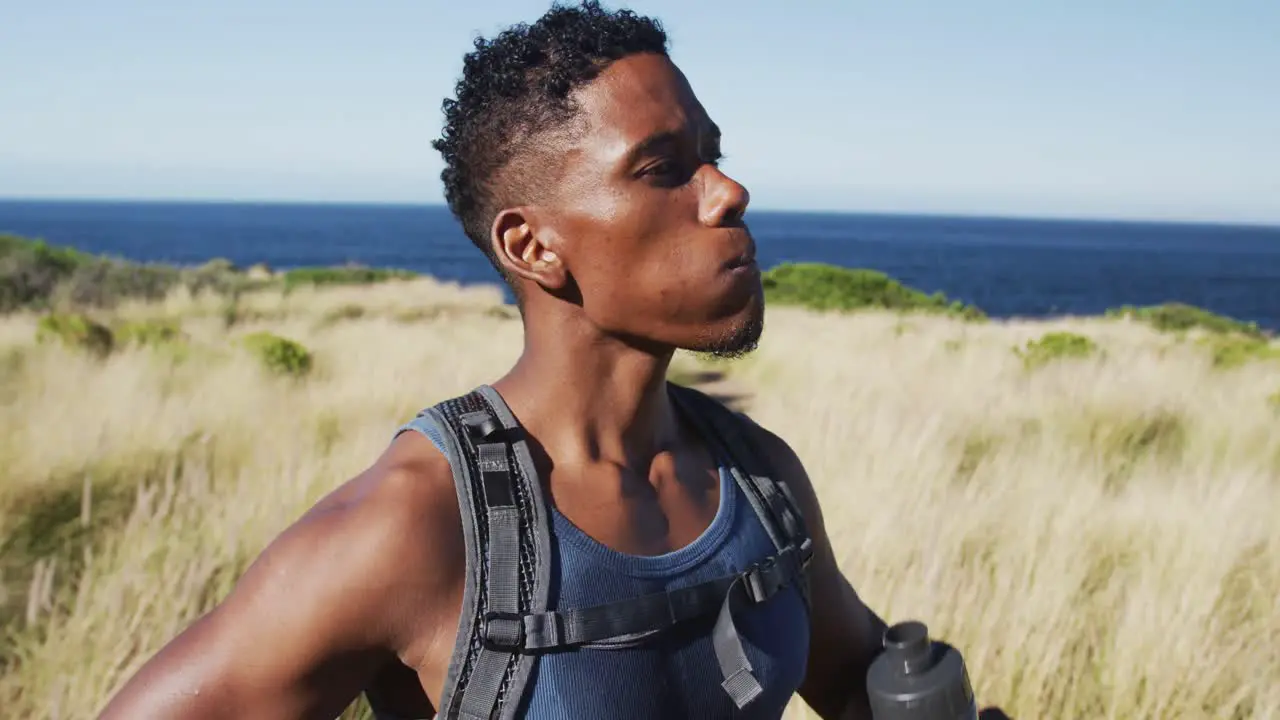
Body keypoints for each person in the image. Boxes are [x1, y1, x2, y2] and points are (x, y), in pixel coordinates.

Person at [97, 2, 892, 718]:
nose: (727, 192)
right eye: (663, 168)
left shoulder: (759, 482)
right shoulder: (414, 528)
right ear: (532, 245)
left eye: (712, 154)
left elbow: (857, 679)